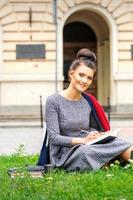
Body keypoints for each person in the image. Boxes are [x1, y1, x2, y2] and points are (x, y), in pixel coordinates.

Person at [40, 48, 133, 171]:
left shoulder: (88, 102)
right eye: (81, 75)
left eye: (89, 78)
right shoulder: (53, 101)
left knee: (119, 143)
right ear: (71, 73)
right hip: (65, 153)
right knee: (86, 151)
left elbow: (93, 127)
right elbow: (54, 138)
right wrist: (83, 140)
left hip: (89, 144)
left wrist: (95, 134)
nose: (84, 81)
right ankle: (108, 162)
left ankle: (109, 162)